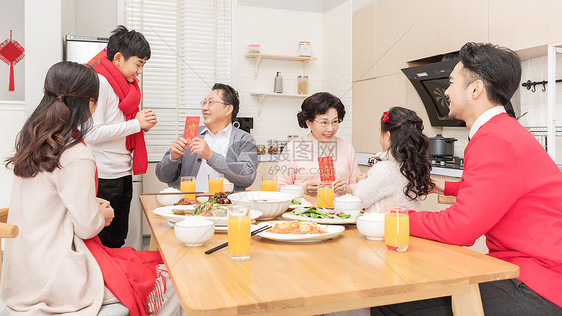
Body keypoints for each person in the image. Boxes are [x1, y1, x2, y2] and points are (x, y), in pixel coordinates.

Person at [372, 43, 562, 315]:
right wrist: (445, 186)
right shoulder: (503, 131)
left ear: (475, 90)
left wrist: (398, 218)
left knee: (392, 299)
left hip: (533, 284)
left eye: (451, 83)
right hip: (527, 271)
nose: (446, 92)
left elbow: (460, 228)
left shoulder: (494, 139)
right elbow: (498, 189)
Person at [2, 61, 183, 315]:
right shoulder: (75, 154)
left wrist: (90, 203)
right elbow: (87, 227)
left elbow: (52, 200)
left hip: (23, 273)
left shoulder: (31, 140)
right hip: (59, 276)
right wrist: (104, 215)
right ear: (90, 103)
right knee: (169, 273)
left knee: (135, 258)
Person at [84, 25, 157, 248]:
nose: (140, 71)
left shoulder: (127, 88)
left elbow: (119, 125)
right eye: (138, 64)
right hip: (105, 175)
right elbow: (92, 134)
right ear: (118, 58)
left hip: (123, 172)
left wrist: (139, 126)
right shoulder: (100, 83)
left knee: (118, 237)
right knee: (103, 241)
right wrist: (136, 124)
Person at [156, 83, 257, 192]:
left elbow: (248, 177)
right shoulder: (190, 133)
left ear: (228, 109)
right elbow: (163, 176)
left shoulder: (244, 139)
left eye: (211, 102)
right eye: (204, 102)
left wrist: (210, 155)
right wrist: (172, 158)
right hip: (190, 205)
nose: (204, 107)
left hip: (227, 206)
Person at [277, 92, 359, 196]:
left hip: (340, 210)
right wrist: (303, 190)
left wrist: (348, 189)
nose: (330, 129)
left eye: (335, 122)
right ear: (309, 122)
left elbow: (358, 185)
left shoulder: (347, 148)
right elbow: (280, 187)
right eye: (324, 123)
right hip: (303, 211)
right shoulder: (293, 148)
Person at [353, 107, 433, 213]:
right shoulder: (412, 165)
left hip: (384, 227)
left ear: (387, 136)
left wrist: (361, 181)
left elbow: (360, 200)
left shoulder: (385, 168)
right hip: (408, 226)